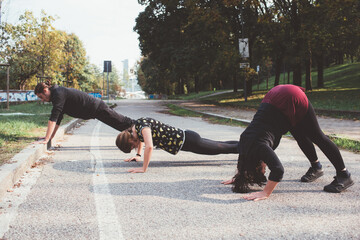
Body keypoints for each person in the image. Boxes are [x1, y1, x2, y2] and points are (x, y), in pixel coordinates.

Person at [222, 84, 354, 201]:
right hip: (275, 99)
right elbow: (243, 160)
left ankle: (344, 174)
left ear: (256, 165)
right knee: (300, 136)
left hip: (290, 97)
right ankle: (316, 167)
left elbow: (278, 170)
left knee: (317, 136)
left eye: (262, 170)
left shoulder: (260, 147)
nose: (265, 168)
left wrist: (266, 192)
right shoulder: (244, 142)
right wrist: (241, 177)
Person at [115, 117, 239, 173]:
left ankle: (250, 149)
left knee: (220, 148)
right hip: (188, 140)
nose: (135, 147)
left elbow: (149, 146)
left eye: (132, 147)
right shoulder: (137, 127)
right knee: (221, 145)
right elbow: (142, 141)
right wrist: (138, 155)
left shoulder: (142, 128)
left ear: (130, 140)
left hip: (190, 140)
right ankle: (246, 144)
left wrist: (143, 168)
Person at [34, 80, 134, 144]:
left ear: (45, 90)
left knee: (124, 123)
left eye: (41, 97)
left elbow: (53, 119)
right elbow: (58, 119)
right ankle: (140, 135)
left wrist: (46, 139)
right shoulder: (57, 95)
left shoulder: (58, 94)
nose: (42, 100)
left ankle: (143, 129)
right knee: (120, 126)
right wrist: (50, 137)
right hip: (95, 111)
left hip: (97, 108)